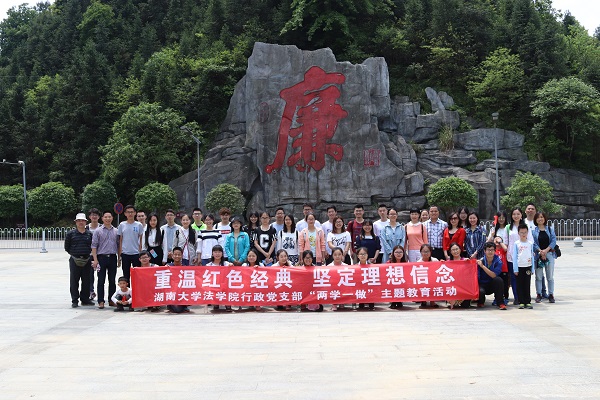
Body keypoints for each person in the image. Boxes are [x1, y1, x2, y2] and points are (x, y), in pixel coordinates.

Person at [65, 213, 94, 308]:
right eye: (79, 221)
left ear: (86, 222)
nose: (81, 222)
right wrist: (75, 253)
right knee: (74, 281)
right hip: (74, 259)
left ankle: (85, 299)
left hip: (87, 259)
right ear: (76, 222)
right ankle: (74, 300)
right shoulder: (70, 234)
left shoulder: (90, 234)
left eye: (82, 221)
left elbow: (92, 246)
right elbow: (67, 247)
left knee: (86, 280)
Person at [91, 211, 119, 309]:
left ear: (112, 218)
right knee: (101, 280)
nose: (107, 219)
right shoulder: (98, 231)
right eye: (105, 217)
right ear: (102, 218)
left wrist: (119, 258)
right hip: (101, 258)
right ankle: (101, 301)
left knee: (112, 280)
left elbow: (118, 245)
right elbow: (94, 246)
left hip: (112, 257)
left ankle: (111, 300)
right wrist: (95, 260)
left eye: (109, 217)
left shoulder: (116, 231)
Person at [506, 208, 532, 305]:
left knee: (525, 279)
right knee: (514, 277)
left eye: (518, 214)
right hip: (511, 256)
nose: (516, 216)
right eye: (514, 214)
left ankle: (525, 298)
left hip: (524, 257)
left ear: (521, 215)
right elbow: (506, 241)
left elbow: (531, 240)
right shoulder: (508, 227)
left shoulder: (525, 227)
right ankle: (517, 297)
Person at [532, 212, 557, 304]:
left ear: (545, 218)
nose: (540, 219)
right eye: (538, 217)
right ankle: (539, 294)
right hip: (538, 255)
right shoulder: (533, 231)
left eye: (542, 217)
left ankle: (551, 294)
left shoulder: (550, 229)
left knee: (550, 276)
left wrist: (546, 251)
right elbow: (533, 243)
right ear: (535, 220)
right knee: (538, 276)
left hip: (549, 254)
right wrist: (540, 251)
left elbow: (554, 241)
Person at [525, 203, 548, 298]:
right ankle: (526, 294)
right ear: (525, 211)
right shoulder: (523, 222)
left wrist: (542, 251)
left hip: (538, 252)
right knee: (526, 272)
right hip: (526, 251)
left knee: (540, 273)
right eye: (528, 209)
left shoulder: (538, 223)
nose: (530, 210)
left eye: (532, 209)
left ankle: (543, 292)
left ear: (535, 211)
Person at [476, 242, 507, 310]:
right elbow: (477, 276)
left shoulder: (498, 261)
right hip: (482, 284)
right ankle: (481, 302)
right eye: (488, 250)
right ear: (484, 251)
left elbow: (494, 275)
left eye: (492, 250)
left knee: (499, 280)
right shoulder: (480, 261)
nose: (490, 252)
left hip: (492, 284)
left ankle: (500, 303)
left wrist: (483, 266)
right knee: (480, 291)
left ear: (495, 251)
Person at [117, 204, 143, 281]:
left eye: (132, 212)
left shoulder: (139, 225)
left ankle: (136, 289)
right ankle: (127, 288)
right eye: (128, 212)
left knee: (137, 275)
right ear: (125, 213)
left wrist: (140, 252)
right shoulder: (122, 225)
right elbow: (120, 240)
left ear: (135, 213)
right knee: (126, 275)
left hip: (136, 253)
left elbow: (141, 239)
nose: (130, 214)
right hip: (125, 253)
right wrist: (119, 255)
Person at [512, 224, 535, 309]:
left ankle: (527, 301)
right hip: (519, 267)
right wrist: (515, 269)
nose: (523, 234)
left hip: (528, 266)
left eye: (525, 232)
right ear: (518, 233)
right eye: (521, 232)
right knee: (519, 284)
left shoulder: (530, 243)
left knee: (527, 284)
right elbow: (514, 257)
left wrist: (532, 268)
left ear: (527, 232)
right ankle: (521, 301)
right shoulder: (516, 243)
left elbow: (532, 256)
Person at [207, 245, 232, 311]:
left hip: (224, 285)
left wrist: (231, 266)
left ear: (222, 253)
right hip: (214, 285)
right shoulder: (209, 265)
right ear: (212, 253)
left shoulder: (226, 264)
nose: (217, 254)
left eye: (219, 252)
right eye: (215, 252)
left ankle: (227, 304)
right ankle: (216, 303)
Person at [166, 247, 191, 313]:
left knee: (178, 310)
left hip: (181, 291)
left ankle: (185, 305)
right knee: (177, 310)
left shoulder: (185, 268)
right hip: (171, 291)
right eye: (175, 254)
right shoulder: (168, 266)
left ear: (182, 256)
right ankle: (170, 305)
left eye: (179, 254)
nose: (177, 256)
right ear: (172, 255)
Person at [417, 244, 439, 309]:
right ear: (421, 252)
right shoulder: (418, 262)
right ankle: (423, 300)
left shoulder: (435, 260)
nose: (425, 253)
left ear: (430, 252)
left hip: (433, 280)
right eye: (424, 251)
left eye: (427, 251)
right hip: (423, 280)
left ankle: (432, 301)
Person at [86, 208, 101, 301]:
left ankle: (101, 294)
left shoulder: (102, 227)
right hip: (89, 255)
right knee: (89, 275)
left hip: (100, 254)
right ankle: (91, 292)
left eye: (96, 215)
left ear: (99, 217)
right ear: (89, 217)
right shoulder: (86, 228)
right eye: (92, 215)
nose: (94, 216)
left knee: (101, 275)